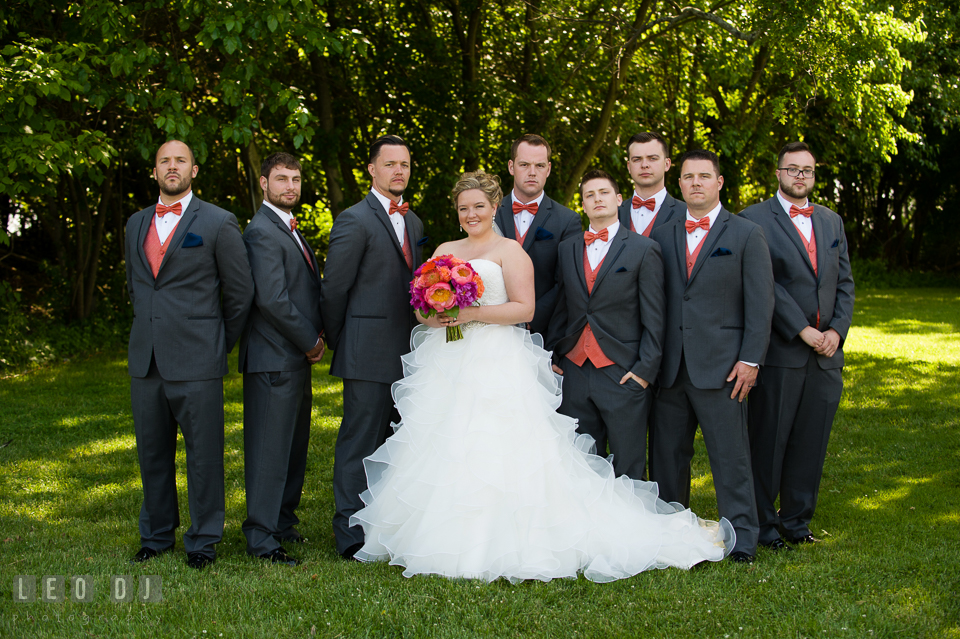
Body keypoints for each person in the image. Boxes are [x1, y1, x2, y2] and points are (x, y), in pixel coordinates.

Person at [349, 171, 733, 583]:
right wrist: (435, 313)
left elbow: (525, 309)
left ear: (494, 207)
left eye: (479, 206)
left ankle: (509, 538)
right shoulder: (444, 249)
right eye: (464, 208)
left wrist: (470, 314)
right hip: (447, 361)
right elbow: (421, 307)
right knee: (446, 441)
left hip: (496, 359)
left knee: (499, 446)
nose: (471, 214)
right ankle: (438, 535)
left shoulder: (510, 250)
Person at [125, 139, 254, 569]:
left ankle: (202, 540)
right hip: (147, 359)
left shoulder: (218, 222)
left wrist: (218, 341)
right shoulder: (135, 224)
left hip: (198, 359)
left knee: (204, 455)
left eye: (181, 159)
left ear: (194, 170)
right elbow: (137, 287)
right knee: (152, 452)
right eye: (164, 160)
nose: (172, 166)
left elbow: (239, 292)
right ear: (155, 171)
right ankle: (157, 535)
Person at [649, 149, 774, 564]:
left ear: (720, 183)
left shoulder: (745, 233)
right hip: (670, 366)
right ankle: (670, 536)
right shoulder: (662, 234)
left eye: (705, 176)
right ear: (679, 183)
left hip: (724, 368)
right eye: (688, 177)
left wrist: (751, 359)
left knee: (730, 456)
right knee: (668, 456)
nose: (696, 183)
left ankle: (742, 541)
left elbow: (761, 303)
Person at [739, 142, 854, 550]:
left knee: (811, 442)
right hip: (783, 351)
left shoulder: (831, 221)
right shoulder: (752, 221)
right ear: (778, 173)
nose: (800, 176)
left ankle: (797, 522)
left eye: (807, 170)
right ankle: (764, 526)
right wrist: (803, 330)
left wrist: (836, 332)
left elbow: (843, 282)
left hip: (827, 357)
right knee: (769, 442)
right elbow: (764, 284)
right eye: (792, 169)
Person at [319, 135, 426, 560]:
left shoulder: (413, 222)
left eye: (404, 164)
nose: (398, 171)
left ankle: (384, 524)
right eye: (390, 164)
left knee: (395, 444)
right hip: (365, 352)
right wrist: (343, 340)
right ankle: (348, 532)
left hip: (409, 352)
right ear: (372, 170)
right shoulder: (353, 219)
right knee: (358, 443)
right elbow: (334, 291)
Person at [548, 169, 665, 481]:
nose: (597, 199)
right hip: (575, 369)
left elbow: (655, 317)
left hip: (622, 370)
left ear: (618, 199)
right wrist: (557, 356)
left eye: (603, 192)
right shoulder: (567, 248)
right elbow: (564, 306)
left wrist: (643, 372)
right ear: (583, 205)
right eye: (589, 195)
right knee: (581, 463)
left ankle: (632, 526)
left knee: (628, 464)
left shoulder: (643, 249)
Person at [238, 153, 324, 566]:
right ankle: (261, 537)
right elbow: (271, 298)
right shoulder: (261, 232)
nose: (290, 186)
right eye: (281, 179)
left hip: (291, 359)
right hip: (273, 358)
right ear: (263, 184)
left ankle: (283, 523)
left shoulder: (287, 228)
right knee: (269, 450)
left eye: (295, 179)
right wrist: (310, 341)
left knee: (292, 446)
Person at [494, 134, 582, 336]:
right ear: (511, 167)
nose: (532, 172)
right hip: (490, 328)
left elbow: (566, 281)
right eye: (524, 165)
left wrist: (528, 319)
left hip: (543, 332)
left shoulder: (568, 220)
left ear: (548, 169)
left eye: (540, 166)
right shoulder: (489, 213)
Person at [617, 132, 684, 237]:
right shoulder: (614, 213)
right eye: (637, 159)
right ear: (629, 167)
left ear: (667, 164)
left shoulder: (686, 213)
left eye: (652, 158)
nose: (644, 165)